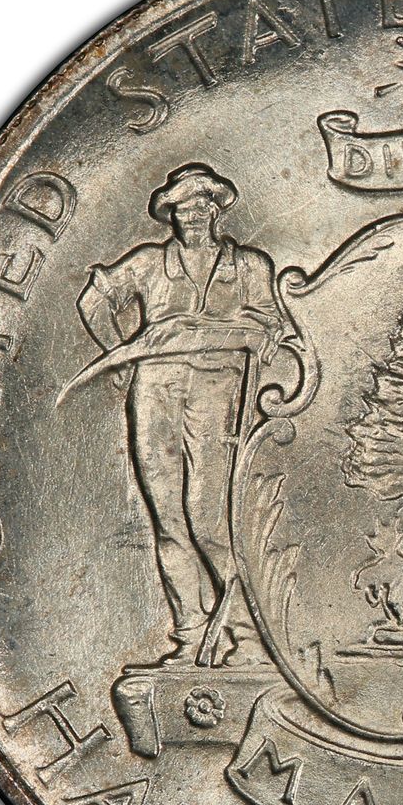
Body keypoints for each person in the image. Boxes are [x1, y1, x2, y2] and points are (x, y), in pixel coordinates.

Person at [77, 163, 283, 664]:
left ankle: (249, 635)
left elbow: (271, 329)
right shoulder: (150, 263)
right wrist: (121, 357)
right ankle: (191, 630)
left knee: (209, 517)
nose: (191, 216)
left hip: (218, 389)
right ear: (171, 215)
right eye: (181, 208)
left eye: (199, 206)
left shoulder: (249, 266)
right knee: (168, 518)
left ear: (215, 210)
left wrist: (212, 332)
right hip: (155, 387)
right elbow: (93, 301)